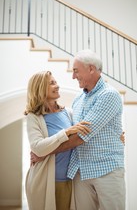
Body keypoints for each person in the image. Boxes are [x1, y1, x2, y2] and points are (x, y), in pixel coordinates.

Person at [31, 49, 126, 210]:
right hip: (80, 172)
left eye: (76, 71)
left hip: (106, 170)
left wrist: (45, 153)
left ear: (91, 69)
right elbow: (69, 131)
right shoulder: (78, 99)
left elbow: (80, 136)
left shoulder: (109, 95)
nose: (73, 76)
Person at [24, 70, 91, 210]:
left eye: (56, 82)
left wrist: (115, 135)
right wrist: (66, 132)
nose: (57, 86)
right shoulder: (33, 117)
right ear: (40, 89)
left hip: (70, 181)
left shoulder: (68, 113)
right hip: (44, 181)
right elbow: (38, 147)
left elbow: (84, 136)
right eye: (52, 83)